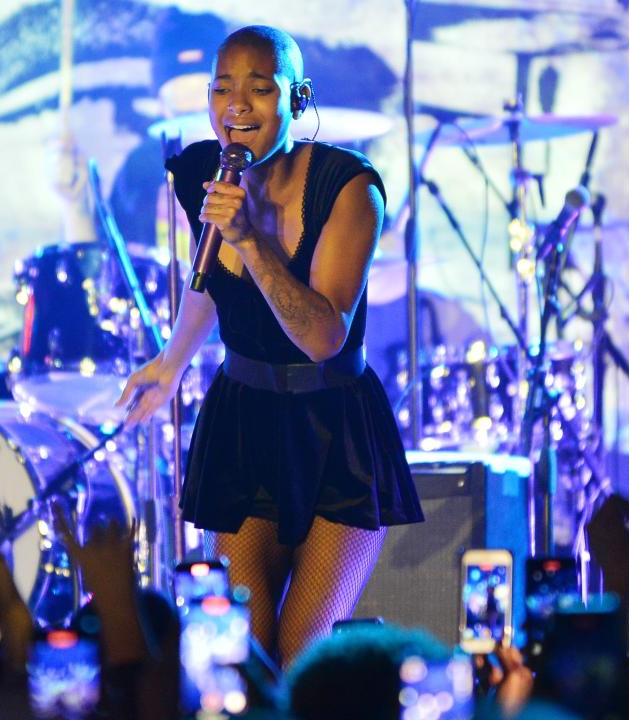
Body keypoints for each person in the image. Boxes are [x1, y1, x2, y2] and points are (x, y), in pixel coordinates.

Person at [118, 25, 423, 667]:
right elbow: (211, 283)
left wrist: (251, 237)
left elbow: (323, 337)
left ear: (297, 97)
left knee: (300, 658)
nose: (237, 106)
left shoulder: (349, 189)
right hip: (243, 421)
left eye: (259, 89)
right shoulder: (205, 170)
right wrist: (171, 363)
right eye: (223, 89)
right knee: (242, 654)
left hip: (333, 430)